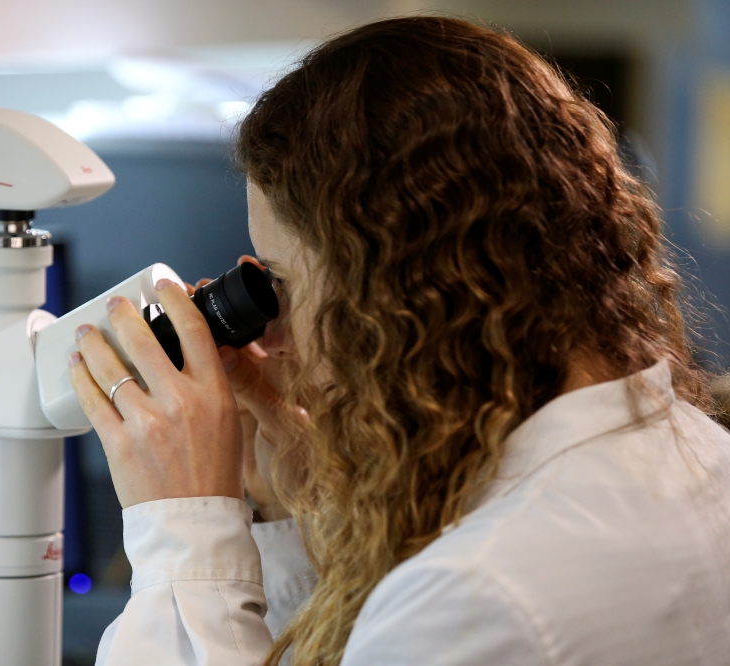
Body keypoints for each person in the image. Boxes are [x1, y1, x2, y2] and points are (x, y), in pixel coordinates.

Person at [67, 16, 730, 666]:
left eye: (285, 284)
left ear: (393, 295)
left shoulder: (472, 596)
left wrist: (187, 537)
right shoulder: (699, 454)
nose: (284, 334)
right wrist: (291, 515)